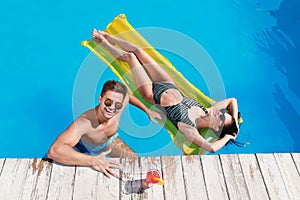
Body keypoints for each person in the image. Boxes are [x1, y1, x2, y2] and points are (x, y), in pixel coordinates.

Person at [91, 29, 240, 153]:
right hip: (168, 84)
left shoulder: (190, 129)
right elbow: (233, 100)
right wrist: (235, 124)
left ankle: (103, 43)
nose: (219, 113)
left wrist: (228, 137)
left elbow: (212, 148)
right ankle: (110, 38)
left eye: (221, 118)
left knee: (131, 57)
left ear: (215, 127)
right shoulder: (207, 110)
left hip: (152, 93)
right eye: (223, 113)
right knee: (139, 51)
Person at [47, 80, 161, 177]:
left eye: (117, 105)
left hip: (110, 141)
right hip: (85, 149)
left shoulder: (119, 105)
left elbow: (128, 97)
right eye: (108, 102)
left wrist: (147, 110)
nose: (111, 108)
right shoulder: (85, 123)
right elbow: (54, 151)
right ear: (100, 98)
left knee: (137, 163)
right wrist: (92, 160)